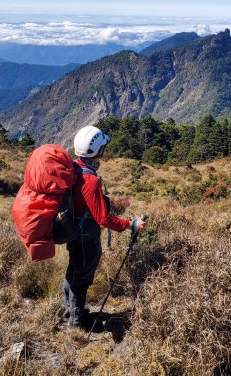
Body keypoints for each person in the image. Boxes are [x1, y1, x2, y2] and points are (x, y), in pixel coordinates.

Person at [63, 125, 146, 329]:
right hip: (86, 236)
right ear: (98, 151)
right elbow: (102, 218)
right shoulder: (89, 180)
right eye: (103, 148)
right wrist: (131, 225)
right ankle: (76, 321)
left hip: (73, 231)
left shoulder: (73, 169)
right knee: (81, 276)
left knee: (74, 270)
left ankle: (70, 312)